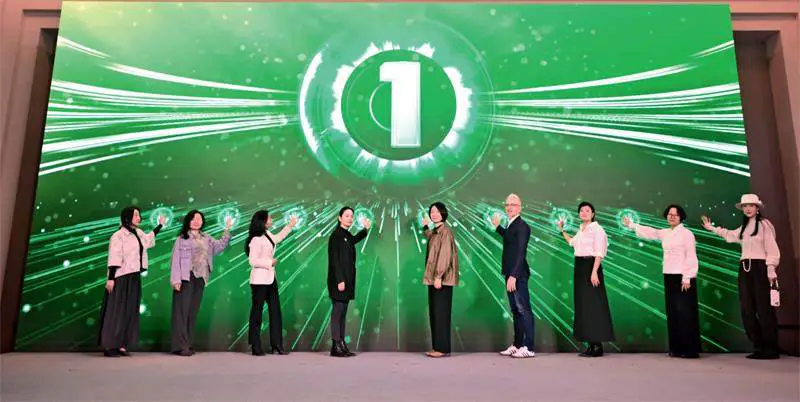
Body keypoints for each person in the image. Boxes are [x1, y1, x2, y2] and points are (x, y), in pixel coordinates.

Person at [702, 194, 781, 359]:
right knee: (747, 309)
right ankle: (758, 346)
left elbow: (772, 248)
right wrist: (712, 228)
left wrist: (771, 268)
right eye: (745, 206)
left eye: (751, 205)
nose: (748, 208)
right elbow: (730, 235)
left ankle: (770, 348)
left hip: (760, 268)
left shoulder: (764, 224)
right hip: (745, 269)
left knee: (764, 308)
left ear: (757, 207)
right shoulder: (744, 228)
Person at [624, 205, 700, 358]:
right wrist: (632, 225)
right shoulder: (665, 232)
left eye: (675, 215)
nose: (672, 217)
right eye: (670, 214)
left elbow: (691, 255)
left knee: (685, 312)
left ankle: (690, 350)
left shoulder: (687, 234)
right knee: (673, 312)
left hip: (683, 277)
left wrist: (687, 277)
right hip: (669, 275)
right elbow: (651, 232)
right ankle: (676, 348)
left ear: (681, 217)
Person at [99, 206, 164, 357]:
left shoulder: (138, 233)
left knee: (130, 311)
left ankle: (122, 344)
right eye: (135, 215)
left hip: (134, 276)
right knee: (117, 311)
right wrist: (111, 279)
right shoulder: (118, 235)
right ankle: (110, 345)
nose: (139, 218)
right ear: (127, 217)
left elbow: (148, 240)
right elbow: (114, 256)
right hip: (120, 276)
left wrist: (159, 225)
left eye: (139, 215)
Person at [169, 210, 232, 356]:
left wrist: (227, 230)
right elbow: (175, 260)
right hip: (186, 278)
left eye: (199, 219)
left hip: (201, 278)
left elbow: (219, 247)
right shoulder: (181, 239)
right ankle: (180, 346)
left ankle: (188, 344)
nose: (197, 221)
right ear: (188, 221)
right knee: (182, 312)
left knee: (192, 312)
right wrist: (175, 280)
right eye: (193, 219)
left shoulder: (206, 238)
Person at [557, 202, 615, 357]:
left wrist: (594, 272)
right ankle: (591, 344)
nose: (584, 212)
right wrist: (562, 230)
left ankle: (597, 346)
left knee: (593, 306)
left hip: (591, 267)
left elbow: (599, 252)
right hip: (580, 268)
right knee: (584, 307)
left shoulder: (597, 229)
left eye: (587, 210)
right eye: (581, 210)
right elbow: (572, 242)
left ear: (593, 213)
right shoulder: (581, 229)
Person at [246, 210, 297, 356]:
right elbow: (252, 260)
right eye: (269, 218)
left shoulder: (267, 234)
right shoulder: (256, 239)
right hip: (259, 280)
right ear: (262, 221)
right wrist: (269, 262)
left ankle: (277, 344)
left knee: (275, 311)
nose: (271, 219)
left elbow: (278, 238)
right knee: (257, 312)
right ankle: (255, 345)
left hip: (270, 278)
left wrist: (290, 225)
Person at [492, 194, 535, 358]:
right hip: (510, 273)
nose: (509, 207)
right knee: (516, 310)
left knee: (524, 310)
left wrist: (514, 275)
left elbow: (521, 252)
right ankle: (517, 345)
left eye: (513, 204)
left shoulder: (523, 226)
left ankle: (529, 347)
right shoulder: (512, 225)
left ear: (520, 207)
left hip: (518, 274)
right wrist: (498, 227)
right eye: (507, 204)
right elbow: (509, 238)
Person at [327, 207, 371, 357]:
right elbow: (334, 260)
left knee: (343, 312)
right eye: (346, 215)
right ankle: (335, 345)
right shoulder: (336, 235)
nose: (350, 218)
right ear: (339, 218)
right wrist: (339, 279)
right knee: (337, 311)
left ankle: (341, 344)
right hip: (339, 280)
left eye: (351, 216)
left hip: (347, 280)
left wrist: (365, 229)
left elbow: (353, 240)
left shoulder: (346, 234)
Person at [421, 202, 460, 358]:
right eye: (432, 212)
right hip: (434, 280)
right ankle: (437, 347)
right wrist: (425, 226)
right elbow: (430, 236)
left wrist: (438, 276)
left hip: (441, 280)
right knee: (435, 313)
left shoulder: (446, 232)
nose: (434, 214)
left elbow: (445, 255)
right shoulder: (436, 232)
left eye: (437, 211)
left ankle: (442, 348)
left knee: (441, 314)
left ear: (443, 213)